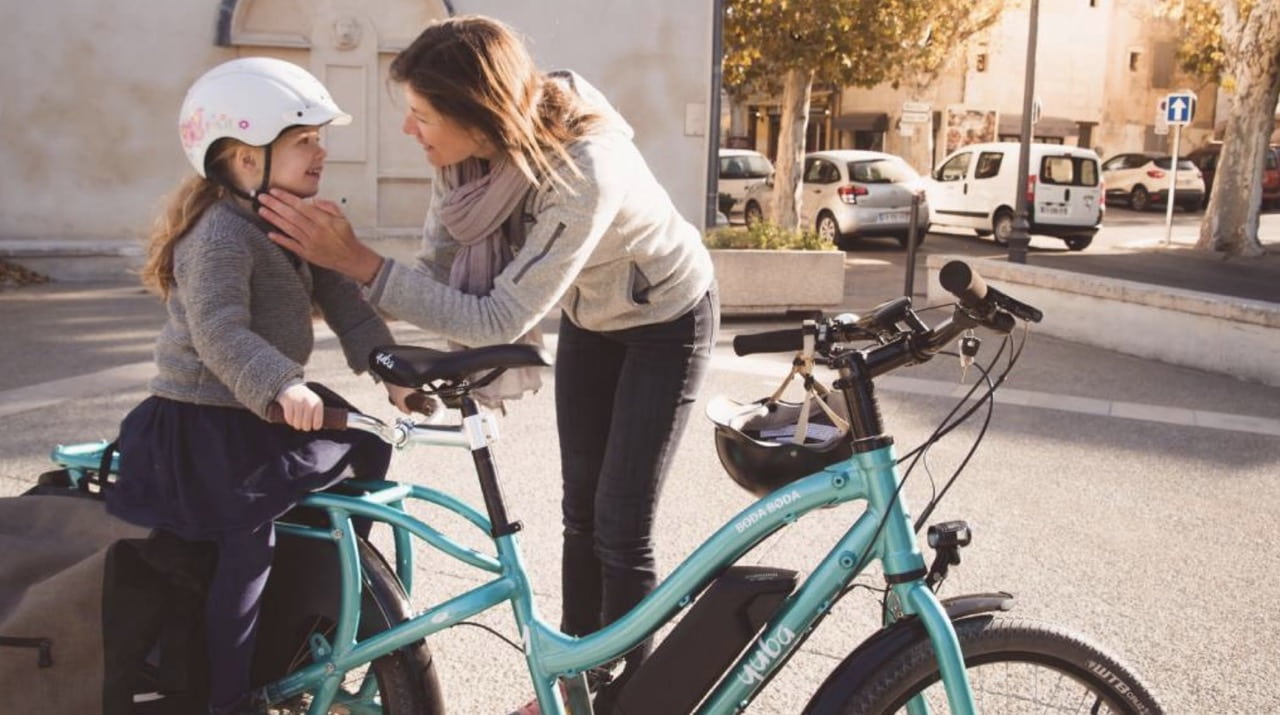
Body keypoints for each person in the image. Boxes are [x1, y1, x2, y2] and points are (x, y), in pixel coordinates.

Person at [257, 14, 719, 713]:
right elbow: (440, 271)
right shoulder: (467, 167)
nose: (410, 130)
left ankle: (630, 694)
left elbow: (501, 317)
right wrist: (417, 366)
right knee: (579, 512)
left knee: (621, 521)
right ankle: (578, 679)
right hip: (595, 315)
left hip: (667, 318)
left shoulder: (583, 170)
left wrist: (357, 261)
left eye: (421, 115)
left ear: (478, 116)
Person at [105, 57, 413, 715]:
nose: (321, 150)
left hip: (262, 405)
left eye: (319, 137)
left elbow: (345, 298)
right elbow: (218, 330)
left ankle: (325, 603)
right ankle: (229, 696)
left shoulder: (293, 217)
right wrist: (280, 384)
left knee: (365, 446)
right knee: (246, 552)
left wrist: (394, 371)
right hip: (207, 418)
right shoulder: (217, 233)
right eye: (304, 138)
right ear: (244, 159)